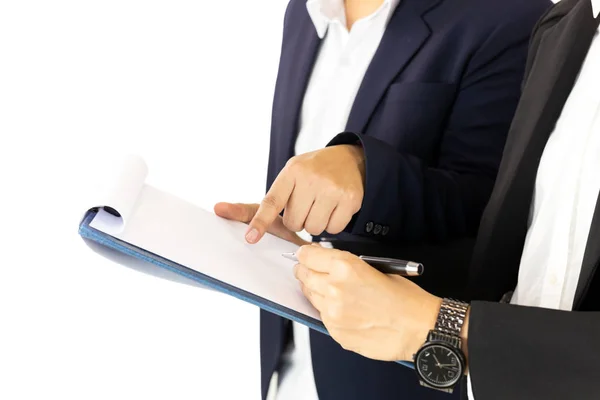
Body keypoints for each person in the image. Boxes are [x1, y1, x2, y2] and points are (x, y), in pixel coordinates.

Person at [215, 0, 550, 399]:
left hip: (399, 378)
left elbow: (498, 210)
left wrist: (366, 172)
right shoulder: (304, 11)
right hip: (289, 364)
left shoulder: (513, 14)